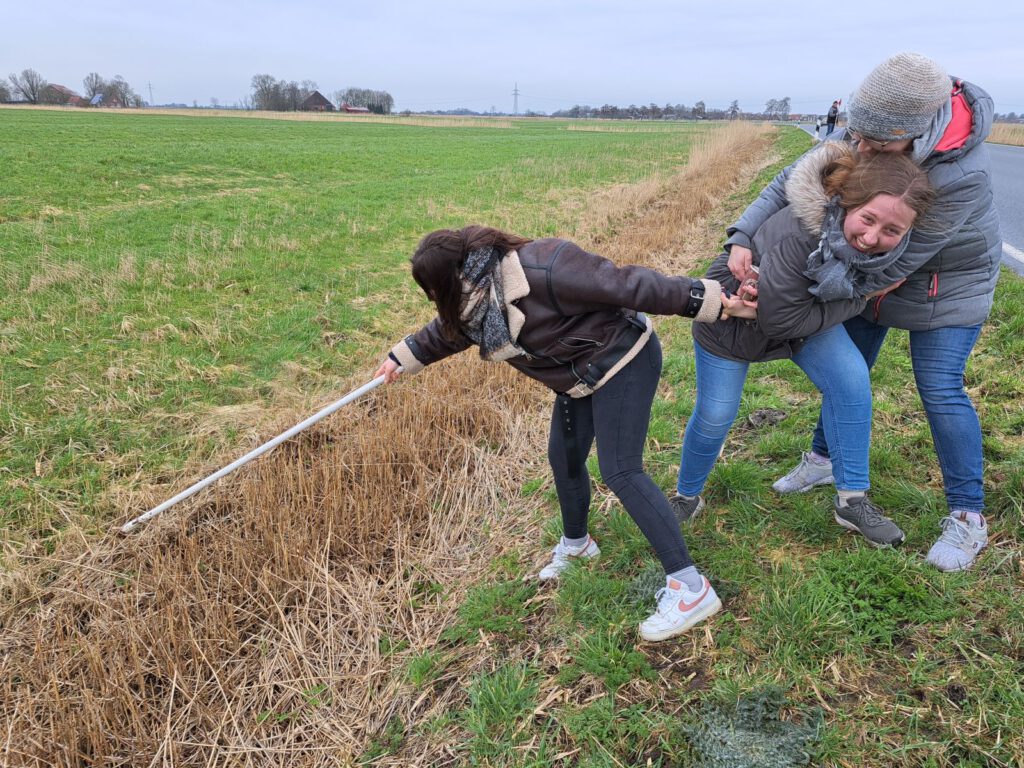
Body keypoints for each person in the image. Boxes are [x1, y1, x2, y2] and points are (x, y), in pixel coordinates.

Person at [375, 226, 756, 642]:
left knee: (621, 470)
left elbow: (628, 284)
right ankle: (577, 544)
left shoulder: (544, 267)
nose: (433, 300)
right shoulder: (474, 300)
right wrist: (402, 358)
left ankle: (690, 588)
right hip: (576, 378)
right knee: (565, 456)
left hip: (622, 359)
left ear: (452, 279)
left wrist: (711, 302)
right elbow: (448, 330)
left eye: (432, 291)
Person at [725, 52, 1001, 571]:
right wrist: (742, 235)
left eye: (878, 141)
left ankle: (968, 518)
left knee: (940, 387)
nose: (863, 147)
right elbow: (791, 179)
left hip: (946, 283)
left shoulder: (964, 171)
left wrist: (793, 295)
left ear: (917, 133)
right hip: (868, 270)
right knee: (849, 372)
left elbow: (898, 260)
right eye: (860, 133)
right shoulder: (869, 135)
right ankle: (824, 461)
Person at [671, 143, 934, 548]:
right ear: (845, 202)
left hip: (805, 313)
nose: (871, 238)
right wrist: (861, 299)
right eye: (867, 219)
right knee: (715, 415)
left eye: (891, 231)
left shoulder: (886, 250)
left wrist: (855, 293)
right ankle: (686, 496)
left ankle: (852, 500)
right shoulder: (801, 235)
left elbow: (795, 316)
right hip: (734, 317)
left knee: (850, 382)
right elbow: (781, 321)